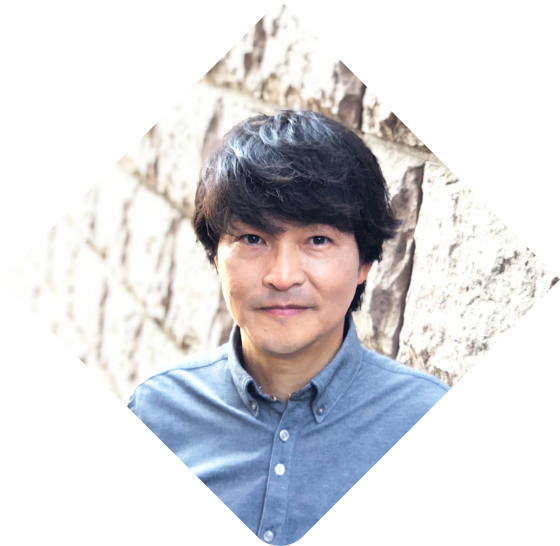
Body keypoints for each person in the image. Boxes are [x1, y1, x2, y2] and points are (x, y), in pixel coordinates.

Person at [56, 110, 491, 545]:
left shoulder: (432, 428)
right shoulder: (157, 410)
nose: (282, 277)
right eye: (253, 239)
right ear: (215, 257)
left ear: (365, 262)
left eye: (317, 240)